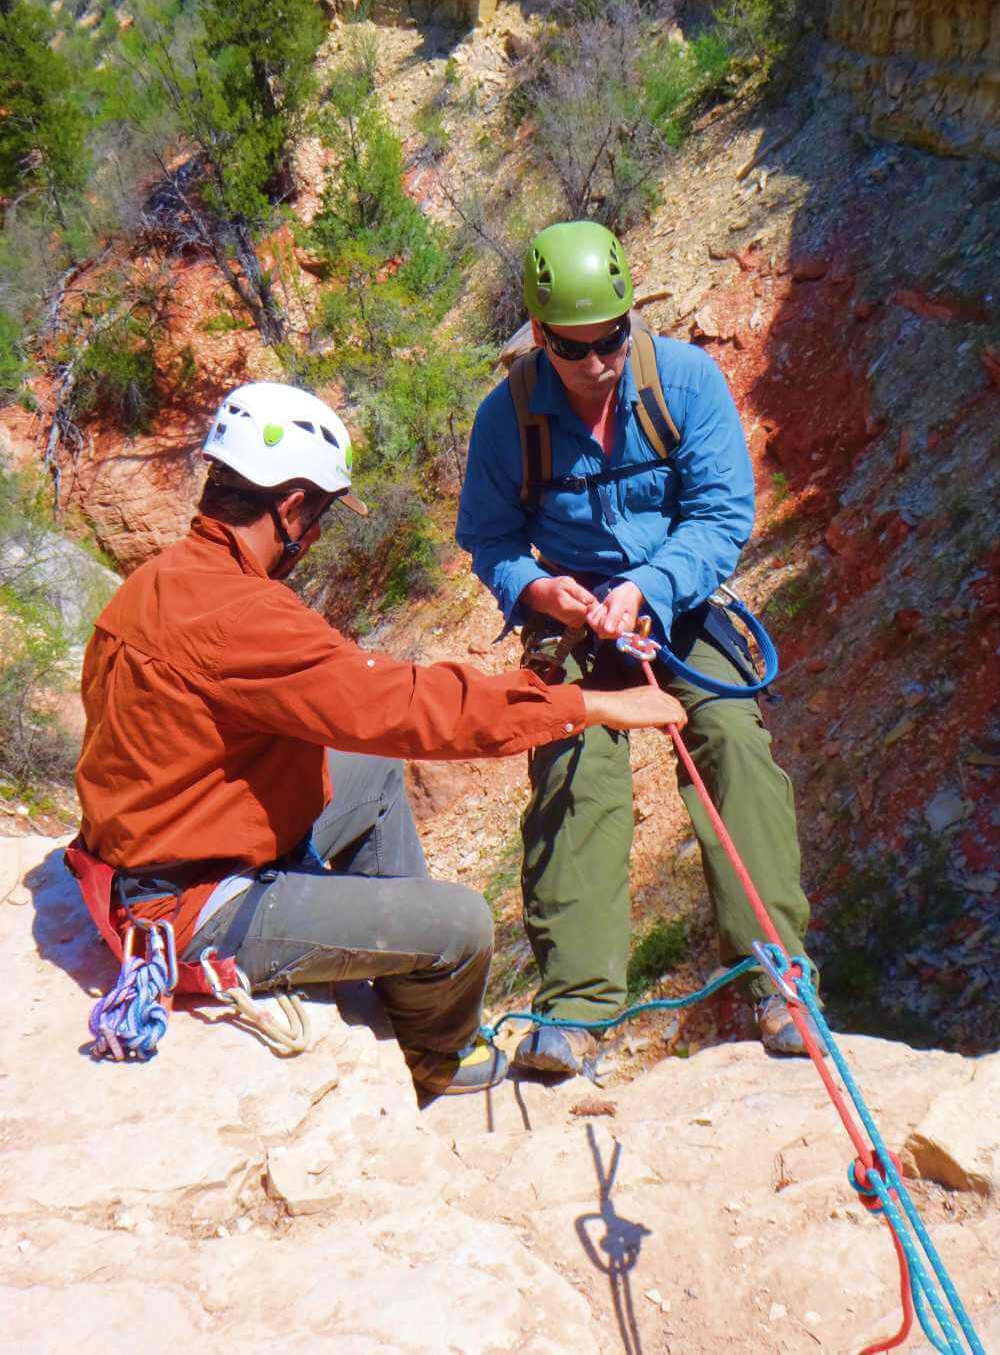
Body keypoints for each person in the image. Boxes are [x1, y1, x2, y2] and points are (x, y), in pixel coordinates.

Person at [73, 380, 685, 1096]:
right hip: (193, 905)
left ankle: (393, 975)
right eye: (322, 514)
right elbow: (408, 706)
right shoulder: (241, 616)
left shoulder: (156, 583)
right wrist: (586, 704)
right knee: (462, 926)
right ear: (291, 506)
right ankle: (434, 1054)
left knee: (367, 773)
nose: (319, 532)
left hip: (166, 848)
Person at [456, 220, 820, 1076]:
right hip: (576, 614)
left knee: (732, 739)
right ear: (540, 338)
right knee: (576, 760)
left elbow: (723, 516)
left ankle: (780, 983)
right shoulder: (508, 418)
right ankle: (577, 1007)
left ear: (631, 320)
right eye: (574, 350)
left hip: (678, 601)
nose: (597, 365)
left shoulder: (685, 382)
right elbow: (490, 537)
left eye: (612, 341)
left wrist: (651, 587)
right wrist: (537, 590)